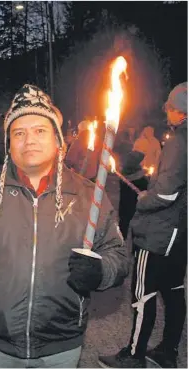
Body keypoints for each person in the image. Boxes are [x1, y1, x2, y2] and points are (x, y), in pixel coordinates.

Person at [0, 84, 129, 368]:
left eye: (40, 130)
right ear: (8, 142)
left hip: (61, 345)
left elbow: (118, 254)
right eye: (19, 132)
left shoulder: (89, 195)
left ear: (57, 139)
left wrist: (101, 271)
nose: (29, 140)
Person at [98, 82, 187, 369]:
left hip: (159, 232)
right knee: (173, 291)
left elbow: (167, 193)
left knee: (143, 294)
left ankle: (134, 355)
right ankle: (168, 351)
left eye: (171, 109)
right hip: (179, 233)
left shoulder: (179, 141)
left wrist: (146, 198)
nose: (168, 115)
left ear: (180, 112)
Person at [117, 125, 162, 238]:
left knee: (127, 213)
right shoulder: (147, 142)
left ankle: (125, 234)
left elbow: (156, 156)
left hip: (142, 173)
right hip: (144, 174)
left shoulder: (140, 143)